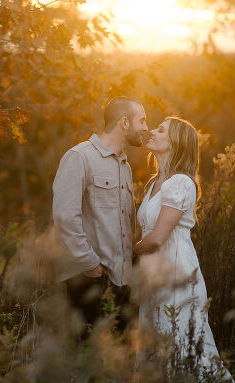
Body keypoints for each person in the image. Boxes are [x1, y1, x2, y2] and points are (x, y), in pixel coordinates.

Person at [133, 116, 233, 381]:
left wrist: (127, 251)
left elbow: (156, 239)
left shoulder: (181, 182)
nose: (152, 131)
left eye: (160, 130)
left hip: (177, 276)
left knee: (183, 347)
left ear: (175, 143)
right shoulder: (153, 183)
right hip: (154, 278)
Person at [52, 97, 148, 331]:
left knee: (117, 359)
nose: (146, 128)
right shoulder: (79, 157)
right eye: (142, 120)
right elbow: (65, 216)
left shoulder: (124, 166)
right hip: (88, 279)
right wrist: (90, 264)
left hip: (120, 282)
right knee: (87, 357)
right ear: (124, 122)